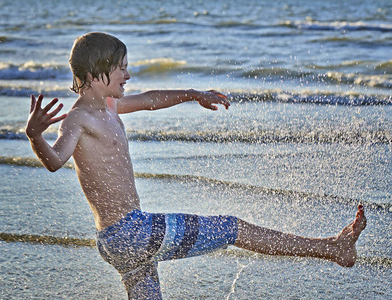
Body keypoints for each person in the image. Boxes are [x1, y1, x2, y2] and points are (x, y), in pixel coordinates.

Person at [26, 32, 366, 299]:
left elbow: (150, 100)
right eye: (121, 68)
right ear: (95, 72)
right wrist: (34, 136)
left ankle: (332, 247)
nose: (127, 74)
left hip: (125, 241)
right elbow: (55, 160)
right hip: (132, 233)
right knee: (233, 228)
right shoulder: (78, 119)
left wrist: (193, 93)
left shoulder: (110, 106)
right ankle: (330, 248)